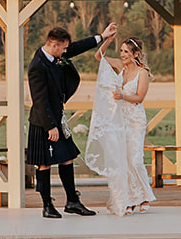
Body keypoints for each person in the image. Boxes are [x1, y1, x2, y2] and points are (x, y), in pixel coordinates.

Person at [27, 22, 117, 217]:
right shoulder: (38, 65)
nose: (67, 51)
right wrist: (51, 126)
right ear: (55, 45)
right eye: (64, 48)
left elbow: (76, 47)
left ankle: (72, 202)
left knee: (68, 158)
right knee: (44, 164)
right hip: (44, 122)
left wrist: (101, 36)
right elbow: (40, 100)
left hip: (57, 118)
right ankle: (47, 206)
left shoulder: (57, 55)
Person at [84, 35, 157, 216]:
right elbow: (99, 56)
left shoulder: (143, 73)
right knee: (122, 159)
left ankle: (145, 196)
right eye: (122, 51)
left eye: (126, 52)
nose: (123, 55)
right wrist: (107, 38)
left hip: (135, 120)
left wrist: (122, 96)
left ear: (136, 53)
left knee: (135, 158)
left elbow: (139, 97)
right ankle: (129, 199)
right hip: (118, 119)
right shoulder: (120, 65)